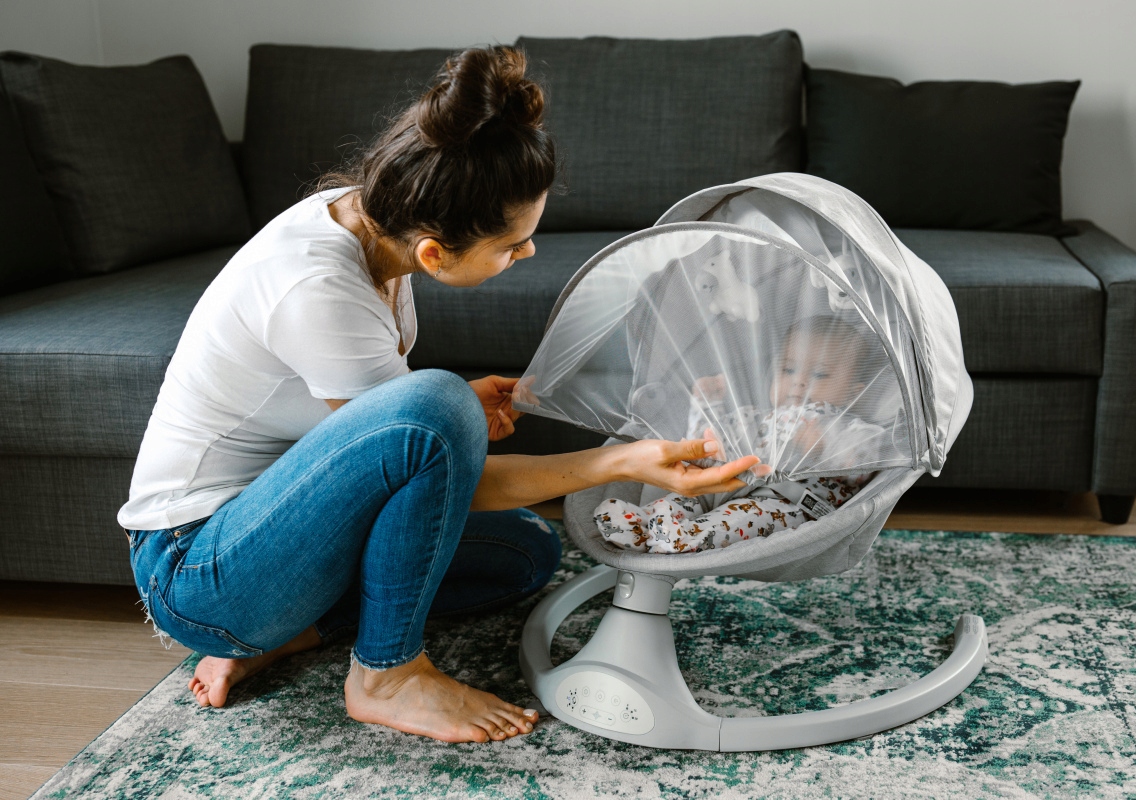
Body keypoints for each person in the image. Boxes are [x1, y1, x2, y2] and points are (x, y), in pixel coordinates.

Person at [118, 46, 761, 745]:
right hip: (199, 569)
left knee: (525, 554)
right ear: (434, 251)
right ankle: (385, 674)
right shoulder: (316, 287)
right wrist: (617, 461)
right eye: (513, 246)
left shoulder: (370, 226)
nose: (527, 255)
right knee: (434, 406)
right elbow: (434, 447)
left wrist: (441, 418)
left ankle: (289, 631)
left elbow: (375, 439)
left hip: (279, 530)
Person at [595, 315, 884, 553]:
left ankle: (683, 539)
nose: (799, 383)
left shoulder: (845, 424)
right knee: (686, 498)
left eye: (819, 375)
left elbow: (867, 463)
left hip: (788, 503)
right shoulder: (756, 417)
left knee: (739, 518)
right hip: (729, 487)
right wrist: (708, 404)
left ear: (852, 392)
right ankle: (642, 525)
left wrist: (824, 447)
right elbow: (704, 444)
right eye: (788, 370)